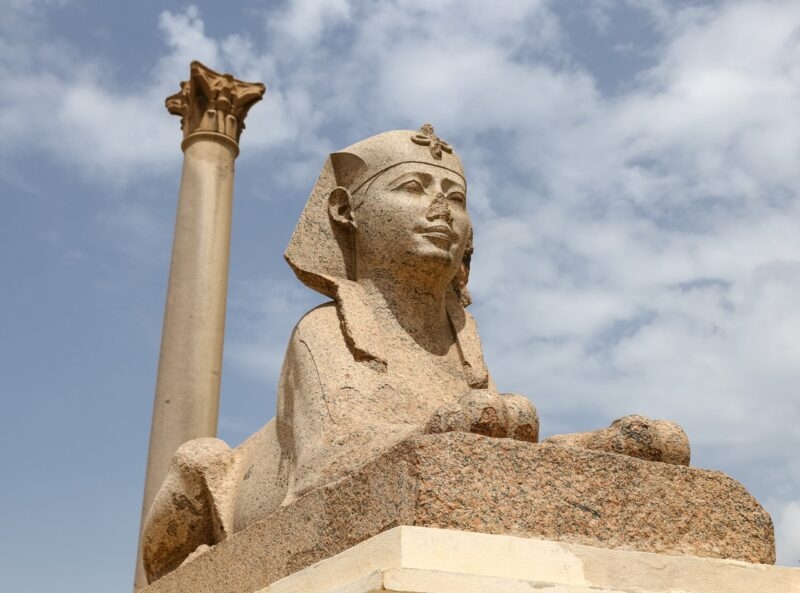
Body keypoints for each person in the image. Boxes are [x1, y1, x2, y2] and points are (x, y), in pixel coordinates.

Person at [141, 125, 688, 583]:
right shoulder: (321, 330)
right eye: (412, 187)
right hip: (243, 504)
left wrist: (596, 447)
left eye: (456, 198)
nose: (441, 211)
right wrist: (444, 427)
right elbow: (324, 469)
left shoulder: (462, 340)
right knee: (201, 458)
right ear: (345, 211)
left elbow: (493, 448)